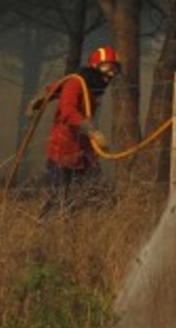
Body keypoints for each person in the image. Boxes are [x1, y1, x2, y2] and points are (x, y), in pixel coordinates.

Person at [30, 46, 121, 213]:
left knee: (97, 197)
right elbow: (68, 110)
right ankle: (47, 234)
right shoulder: (76, 82)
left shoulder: (93, 88)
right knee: (58, 202)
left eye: (115, 70)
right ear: (96, 66)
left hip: (83, 154)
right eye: (108, 68)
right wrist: (91, 130)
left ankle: (85, 233)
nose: (111, 75)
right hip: (63, 152)